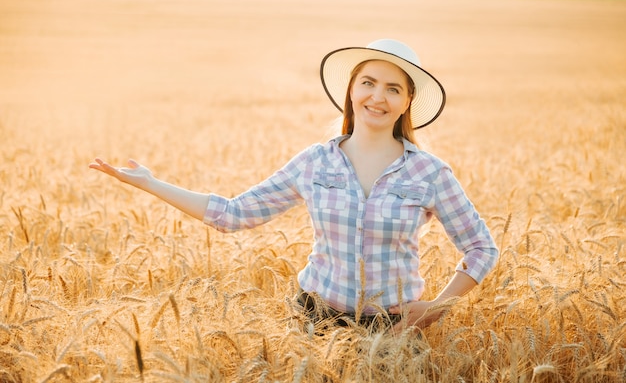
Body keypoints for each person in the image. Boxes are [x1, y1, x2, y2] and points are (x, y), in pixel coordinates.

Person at [90, 39, 499, 334]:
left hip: (392, 330)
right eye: (368, 83)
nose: (378, 97)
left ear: (408, 101)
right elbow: (234, 215)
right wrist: (150, 184)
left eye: (393, 89)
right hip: (313, 322)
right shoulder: (314, 162)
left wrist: (437, 307)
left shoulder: (429, 173)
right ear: (351, 91)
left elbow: (481, 247)